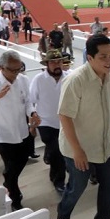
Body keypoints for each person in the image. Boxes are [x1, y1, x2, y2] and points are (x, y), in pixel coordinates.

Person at [56, 35, 110, 219]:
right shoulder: (76, 80)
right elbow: (64, 115)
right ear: (89, 58)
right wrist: (77, 150)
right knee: (77, 187)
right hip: (79, 147)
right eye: (103, 57)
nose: (109, 61)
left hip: (106, 144)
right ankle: (63, 213)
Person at [0, 50, 40, 210]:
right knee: (11, 165)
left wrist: (32, 113)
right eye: (12, 70)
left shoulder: (23, 80)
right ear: (2, 67)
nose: (16, 73)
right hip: (2, 134)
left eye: (19, 69)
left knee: (21, 160)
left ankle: (8, 181)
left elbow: (28, 102)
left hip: (21, 130)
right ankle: (15, 198)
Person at [30, 49, 68, 194]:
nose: (57, 65)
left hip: (65, 123)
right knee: (58, 150)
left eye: (59, 61)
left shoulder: (69, 77)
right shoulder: (38, 80)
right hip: (45, 122)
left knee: (58, 151)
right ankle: (59, 182)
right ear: (47, 64)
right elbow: (31, 101)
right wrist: (32, 121)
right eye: (53, 62)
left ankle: (53, 172)